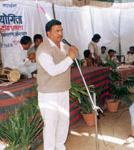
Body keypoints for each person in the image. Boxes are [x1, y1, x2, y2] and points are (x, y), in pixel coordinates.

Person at [36, 19, 78, 150]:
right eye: (57, 31)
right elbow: (53, 70)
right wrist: (70, 58)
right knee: (50, 124)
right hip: (49, 93)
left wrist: (71, 55)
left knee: (63, 122)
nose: (60, 34)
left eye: (61, 30)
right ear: (48, 33)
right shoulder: (43, 50)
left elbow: (68, 61)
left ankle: (60, 147)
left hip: (63, 90)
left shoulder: (64, 46)